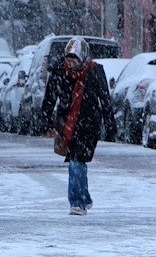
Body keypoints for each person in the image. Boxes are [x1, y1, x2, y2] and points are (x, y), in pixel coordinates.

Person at [41, 37, 117, 216]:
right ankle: (85, 197)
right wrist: (46, 124)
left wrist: (110, 126)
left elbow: (105, 100)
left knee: (76, 162)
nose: (72, 65)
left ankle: (77, 203)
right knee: (76, 162)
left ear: (83, 59)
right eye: (69, 60)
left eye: (76, 61)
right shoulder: (59, 72)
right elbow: (49, 100)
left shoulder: (95, 71)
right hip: (66, 124)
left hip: (88, 125)